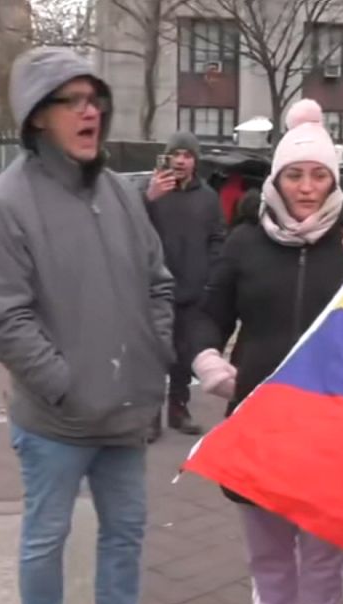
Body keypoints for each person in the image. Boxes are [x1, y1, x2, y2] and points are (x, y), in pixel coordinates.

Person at [0, 47, 182, 604]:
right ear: (37, 118)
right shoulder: (5, 206)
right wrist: (64, 385)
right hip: (55, 418)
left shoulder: (120, 194)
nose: (92, 111)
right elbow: (1, 317)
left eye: (96, 99)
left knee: (126, 530)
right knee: (47, 536)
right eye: (73, 100)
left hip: (125, 411)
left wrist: (152, 356)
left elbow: (160, 286)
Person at [190, 99, 343, 604]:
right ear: (275, 179)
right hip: (258, 424)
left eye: (319, 175)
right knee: (267, 546)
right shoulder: (246, 243)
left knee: (322, 551)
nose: (306, 186)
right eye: (295, 175)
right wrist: (210, 362)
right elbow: (209, 312)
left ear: (334, 180)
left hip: (333, 428)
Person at [144, 130, 226, 441]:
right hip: (155, 289)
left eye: (187, 155)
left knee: (182, 356)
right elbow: (130, 228)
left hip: (192, 288)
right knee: (154, 354)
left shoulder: (208, 197)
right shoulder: (151, 192)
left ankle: (179, 410)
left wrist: (211, 275)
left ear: (195, 161)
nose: (180, 161)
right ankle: (150, 416)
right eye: (175, 154)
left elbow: (218, 237)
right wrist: (148, 199)